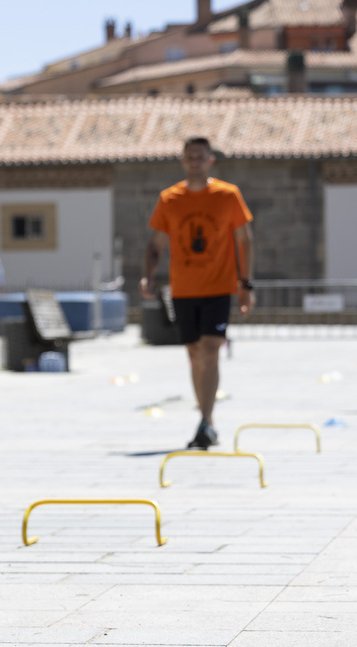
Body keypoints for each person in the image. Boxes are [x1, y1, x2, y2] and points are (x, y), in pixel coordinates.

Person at [139, 136, 254, 450]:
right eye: (189, 157)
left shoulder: (228, 196)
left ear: (210, 161)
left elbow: (245, 240)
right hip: (184, 289)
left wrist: (246, 284)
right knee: (193, 354)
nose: (195, 162)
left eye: (200, 156)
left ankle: (205, 421)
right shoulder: (170, 199)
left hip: (219, 286)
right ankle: (208, 420)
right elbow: (156, 244)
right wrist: (148, 277)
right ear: (182, 161)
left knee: (210, 349)